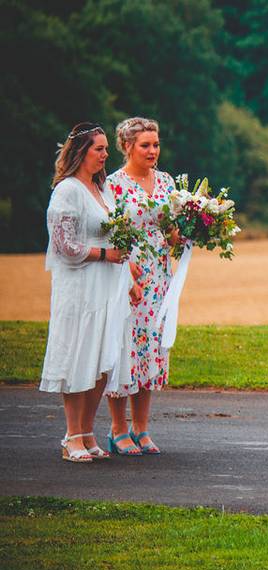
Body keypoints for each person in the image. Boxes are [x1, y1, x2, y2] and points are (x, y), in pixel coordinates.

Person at [40, 123, 136, 462]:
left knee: (100, 361)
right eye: (99, 149)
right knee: (79, 357)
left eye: (107, 148)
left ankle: (87, 431)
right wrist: (103, 255)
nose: (106, 154)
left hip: (107, 285)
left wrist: (129, 274)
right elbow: (64, 245)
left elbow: (115, 235)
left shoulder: (102, 188)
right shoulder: (68, 191)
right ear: (81, 152)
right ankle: (71, 436)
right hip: (80, 285)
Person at [105, 117, 178, 456]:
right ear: (127, 146)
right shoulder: (114, 184)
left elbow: (171, 228)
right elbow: (108, 231)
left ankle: (141, 428)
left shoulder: (165, 181)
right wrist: (127, 272)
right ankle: (117, 429)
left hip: (160, 273)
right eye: (145, 145)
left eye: (156, 144)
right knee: (125, 346)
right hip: (128, 270)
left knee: (150, 345)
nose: (152, 150)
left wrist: (194, 228)